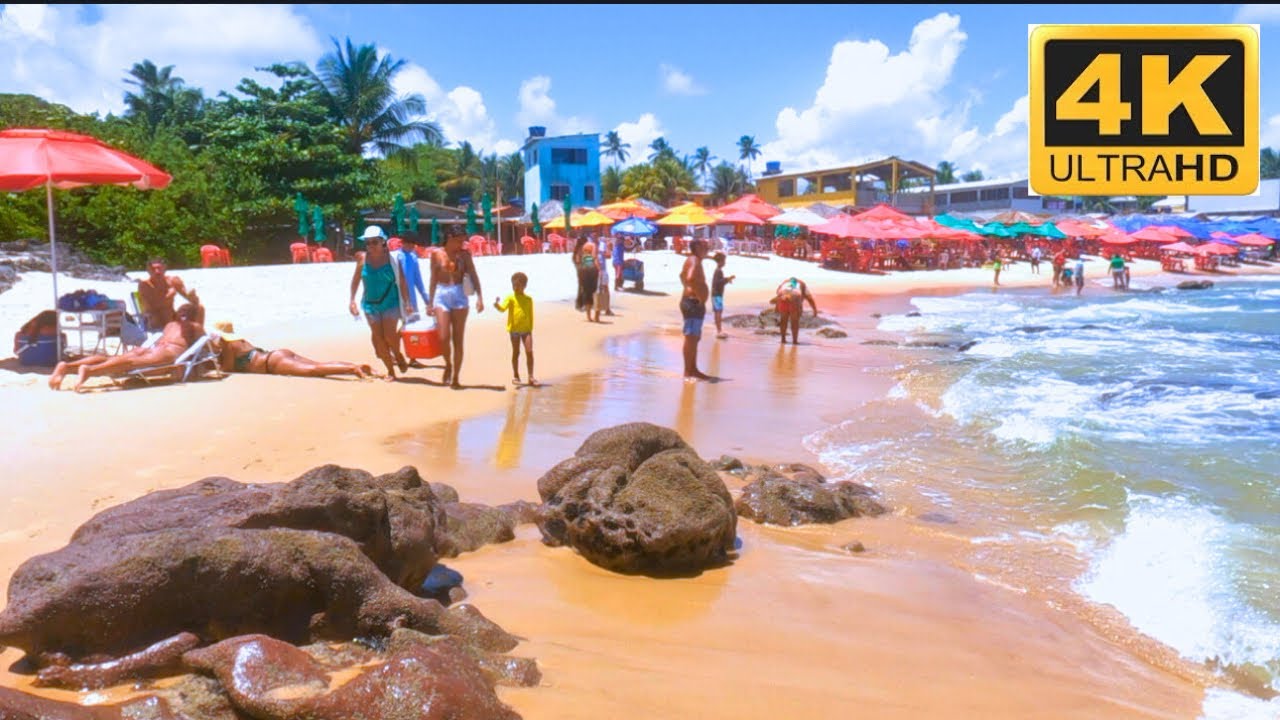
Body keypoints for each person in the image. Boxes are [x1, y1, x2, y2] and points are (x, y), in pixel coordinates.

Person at [48, 301, 205, 392]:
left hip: (149, 348)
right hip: (167, 352)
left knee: (112, 359)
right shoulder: (195, 326)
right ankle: (90, 371)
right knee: (131, 364)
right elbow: (206, 346)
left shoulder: (170, 324)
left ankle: (67, 367)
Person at [349, 225, 411, 382]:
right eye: (368, 242)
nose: (371, 246)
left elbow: (402, 282)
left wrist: (407, 302)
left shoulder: (393, 259)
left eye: (374, 242)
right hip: (370, 305)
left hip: (390, 302)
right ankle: (391, 370)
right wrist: (352, 300)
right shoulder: (362, 259)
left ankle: (397, 354)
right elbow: (355, 280)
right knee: (378, 338)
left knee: (390, 336)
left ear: (383, 241)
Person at [210, 321, 371, 379]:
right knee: (318, 364)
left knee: (314, 370)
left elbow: (228, 368)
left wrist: (215, 360)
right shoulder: (240, 340)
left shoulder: (228, 344)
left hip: (272, 363)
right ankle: (356, 366)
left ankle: (352, 369)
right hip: (277, 354)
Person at [430, 231, 484, 389]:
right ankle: (448, 363)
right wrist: (429, 302)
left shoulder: (464, 255)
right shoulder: (436, 254)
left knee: (458, 339)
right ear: (449, 238)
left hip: (459, 293)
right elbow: (433, 278)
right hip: (441, 293)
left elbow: (474, 275)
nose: (461, 244)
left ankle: (455, 377)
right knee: (443, 337)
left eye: (463, 241)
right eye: (458, 241)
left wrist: (480, 297)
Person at [493, 272, 536, 387]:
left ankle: (531, 377)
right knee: (516, 352)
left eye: (518, 285)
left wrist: (530, 328)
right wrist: (497, 305)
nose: (515, 287)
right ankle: (516, 376)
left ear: (524, 286)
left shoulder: (528, 299)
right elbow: (503, 309)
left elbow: (531, 315)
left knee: (529, 352)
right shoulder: (511, 298)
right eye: (514, 285)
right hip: (514, 331)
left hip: (526, 330)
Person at [136, 257, 198, 332]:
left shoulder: (173, 281)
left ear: (164, 268)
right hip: (155, 323)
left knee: (198, 308)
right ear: (148, 271)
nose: (157, 272)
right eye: (153, 269)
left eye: (159, 268)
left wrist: (192, 296)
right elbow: (151, 308)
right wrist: (168, 297)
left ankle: (197, 333)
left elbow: (192, 300)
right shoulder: (145, 286)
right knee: (156, 315)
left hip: (172, 320)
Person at [679, 239, 711, 381]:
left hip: (693, 303)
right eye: (705, 246)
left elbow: (682, 276)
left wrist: (691, 290)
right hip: (692, 303)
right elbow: (690, 278)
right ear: (697, 247)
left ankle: (693, 369)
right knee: (691, 338)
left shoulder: (693, 260)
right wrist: (698, 295)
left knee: (695, 338)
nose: (707, 248)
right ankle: (687, 372)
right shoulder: (694, 260)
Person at [773, 277, 818, 346]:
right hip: (794, 301)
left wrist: (777, 307)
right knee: (795, 322)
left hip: (783, 300)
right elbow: (809, 298)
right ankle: (794, 341)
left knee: (783, 320)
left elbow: (778, 292)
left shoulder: (784, 282)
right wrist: (814, 310)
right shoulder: (802, 284)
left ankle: (783, 340)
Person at [573, 236, 599, 322]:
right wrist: (599, 269)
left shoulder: (578, 250)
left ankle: (588, 316)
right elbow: (594, 257)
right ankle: (596, 317)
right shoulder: (593, 245)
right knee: (595, 292)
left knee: (587, 293)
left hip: (582, 271)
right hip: (591, 270)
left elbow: (577, 262)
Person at [710, 252, 735, 339]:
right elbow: (718, 283)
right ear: (720, 261)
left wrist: (726, 280)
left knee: (718, 311)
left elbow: (719, 282)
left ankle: (719, 330)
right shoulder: (718, 271)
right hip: (717, 294)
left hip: (716, 294)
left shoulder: (718, 271)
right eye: (724, 261)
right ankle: (719, 331)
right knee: (718, 312)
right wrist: (727, 279)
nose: (725, 262)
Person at [596, 238, 614, 317]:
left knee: (605, 289)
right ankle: (597, 308)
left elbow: (608, 256)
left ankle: (606, 308)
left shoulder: (602, 244)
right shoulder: (589, 243)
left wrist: (606, 250)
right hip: (593, 270)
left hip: (602, 270)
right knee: (596, 290)